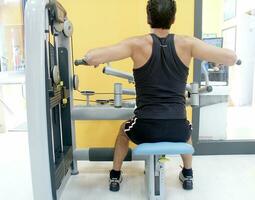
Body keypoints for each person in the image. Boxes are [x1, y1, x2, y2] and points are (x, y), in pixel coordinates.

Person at [81, 0, 237, 192]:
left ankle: (115, 174)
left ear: (148, 17)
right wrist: (233, 58)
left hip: (145, 128)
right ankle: (188, 174)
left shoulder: (136, 44)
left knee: (124, 130)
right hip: (177, 128)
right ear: (173, 18)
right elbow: (230, 58)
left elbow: (91, 57)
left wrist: (93, 59)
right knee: (186, 127)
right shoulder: (188, 43)